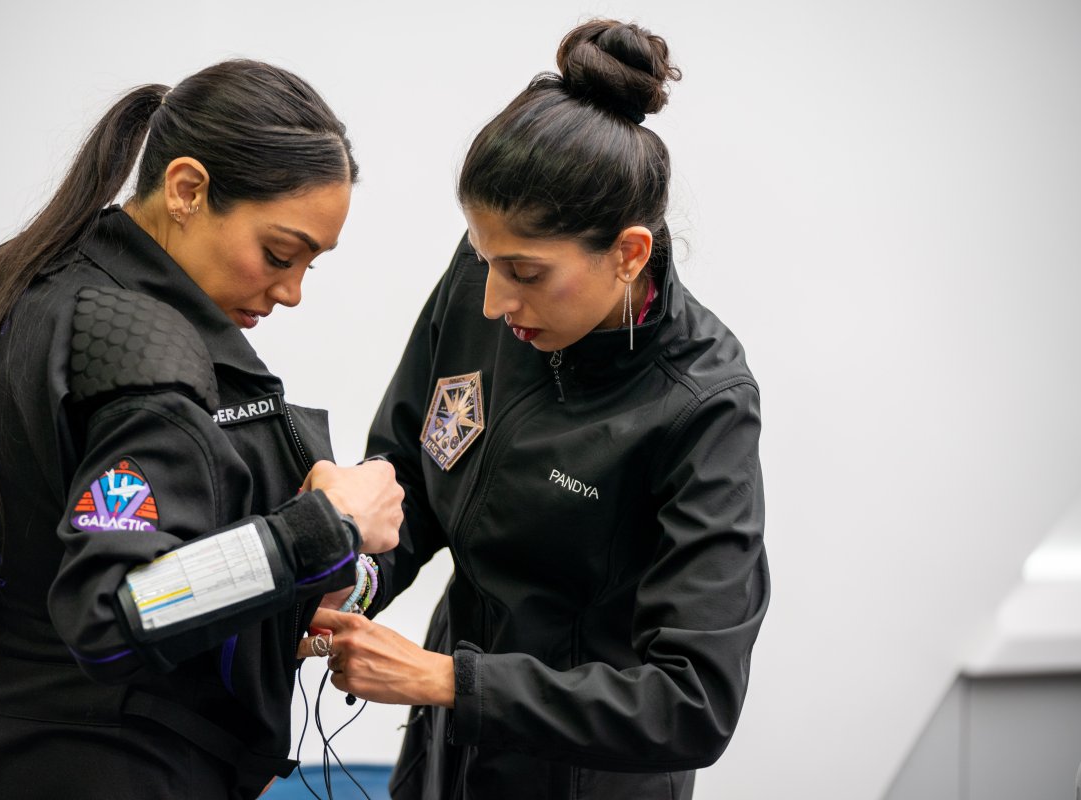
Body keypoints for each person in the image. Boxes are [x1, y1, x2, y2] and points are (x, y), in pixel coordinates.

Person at [0, 59, 403, 800]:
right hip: (114, 769)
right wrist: (317, 531)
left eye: (309, 267)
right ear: (187, 189)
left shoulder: (34, 292)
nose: (291, 292)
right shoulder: (139, 347)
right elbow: (113, 610)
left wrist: (283, 585)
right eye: (279, 254)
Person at [299, 19, 769, 799]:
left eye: (523, 271)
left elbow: (692, 703)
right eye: (483, 259)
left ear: (628, 255)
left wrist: (450, 680)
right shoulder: (492, 278)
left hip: (583, 777)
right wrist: (353, 579)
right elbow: (411, 469)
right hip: (447, 752)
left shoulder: (703, 406)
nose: (492, 300)